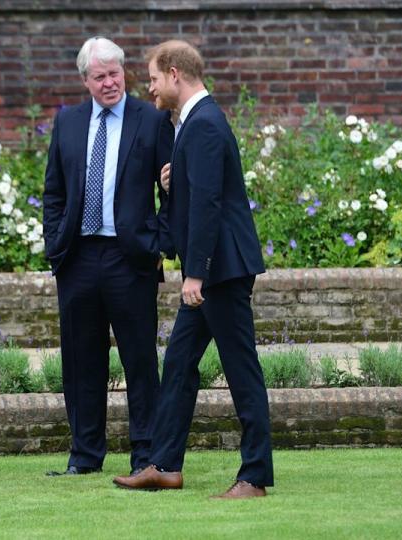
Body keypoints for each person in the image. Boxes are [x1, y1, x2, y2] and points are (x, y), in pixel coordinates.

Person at [113, 40, 273, 498]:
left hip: (219, 271)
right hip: (211, 269)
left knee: (242, 370)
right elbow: (194, 195)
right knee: (180, 363)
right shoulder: (191, 123)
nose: (150, 87)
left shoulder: (202, 124)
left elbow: (208, 206)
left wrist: (196, 274)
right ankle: (164, 465)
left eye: (154, 78)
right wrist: (171, 184)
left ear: (176, 73)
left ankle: (255, 476)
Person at [42, 37, 174, 477]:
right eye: (99, 76)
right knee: (81, 361)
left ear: (124, 73)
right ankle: (84, 456)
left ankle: (145, 456)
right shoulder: (69, 123)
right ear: (85, 81)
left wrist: (158, 243)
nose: (110, 82)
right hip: (77, 258)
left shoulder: (151, 120)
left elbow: (172, 190)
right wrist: (55, 245)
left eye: (115, 73)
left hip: (130, 257)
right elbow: (54, 193)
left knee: (139, 360)